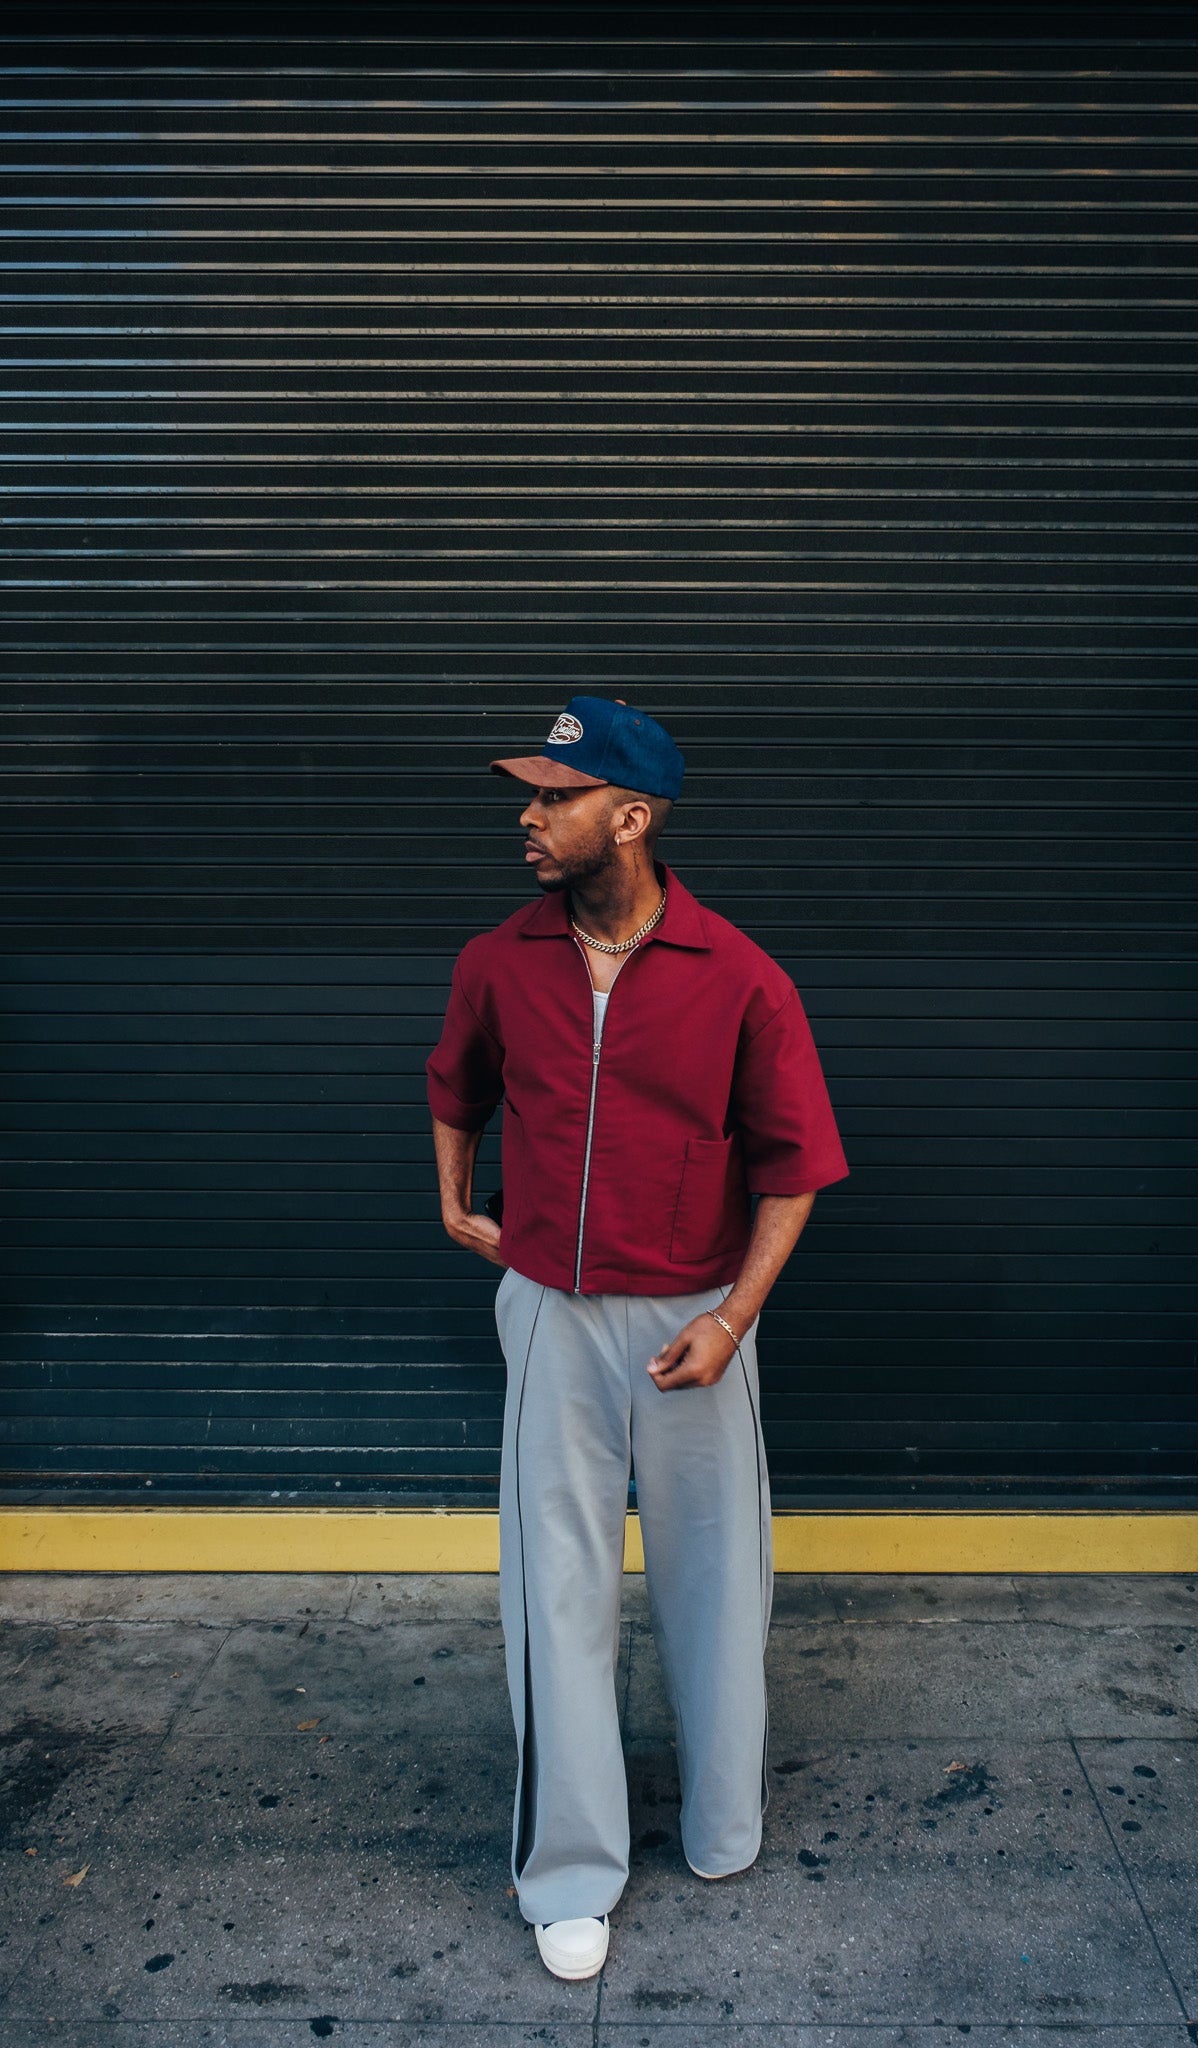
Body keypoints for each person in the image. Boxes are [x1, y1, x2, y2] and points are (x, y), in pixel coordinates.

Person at [426, 695, 847, 1981]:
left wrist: (731, 1317)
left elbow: (796, 1168)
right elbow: (458, 1082)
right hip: (552, 1309)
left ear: (631, 814)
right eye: (531, 792)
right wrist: (455, 1197)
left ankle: (721, 1825)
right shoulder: (501, 956)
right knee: (555, 1597)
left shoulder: (740, 974)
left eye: (554, 795)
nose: (529, 815)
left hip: (694, 1322)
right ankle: (569, 1872)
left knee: (718, 1582)